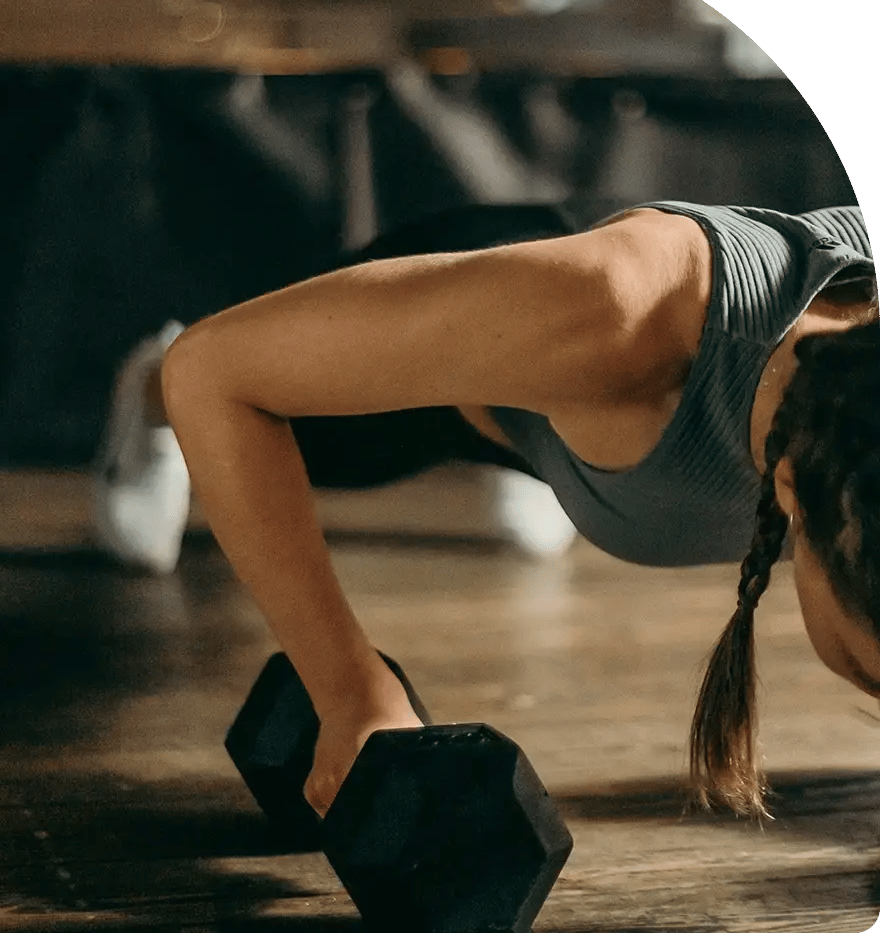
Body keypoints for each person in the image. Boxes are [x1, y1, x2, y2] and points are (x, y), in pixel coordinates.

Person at [97, 200, 878, 820]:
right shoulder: (626, 318)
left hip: (588, 382)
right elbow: (215, 372)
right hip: (532, 295)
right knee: (232, 387)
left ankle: (552, 461)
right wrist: (349, 691)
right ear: (790, 493)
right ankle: (142, 385)